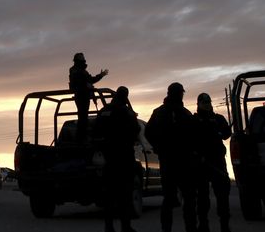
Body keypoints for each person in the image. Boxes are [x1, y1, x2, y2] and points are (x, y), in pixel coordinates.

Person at [146, 82, 197, 232]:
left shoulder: (158, 112)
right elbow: (194, 138)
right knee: (188, 198)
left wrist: (158, 148)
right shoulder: (185, 114)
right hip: (183, 163)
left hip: (168, 161)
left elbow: (148, 133)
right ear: (180, 94)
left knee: (169, 199)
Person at [95, 86, 141, 232]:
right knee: (125, 195)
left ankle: (109, 227)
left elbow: (96, 130)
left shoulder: (104, 111)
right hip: (123, 158)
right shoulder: (125, 111)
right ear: (125, 96)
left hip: (108, 159)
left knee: (109, 195)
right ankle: (125, 227)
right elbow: (136, 129)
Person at [192, 93, 232, 232]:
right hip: (201, 164)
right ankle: (203, 225)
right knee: (202, 198)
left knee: (222, 196)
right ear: (198, 104)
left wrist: (218, 131)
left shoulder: (218, 119)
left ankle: (225, 226)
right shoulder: (194, 120)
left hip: (217, 162)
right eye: (203, 102)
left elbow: (227, 133)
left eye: (208, 101)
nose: (206, 104)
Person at [69, 52, 109, 143]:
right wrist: (90, 83)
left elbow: (90, 80)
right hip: (81, 96)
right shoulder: (76, 70)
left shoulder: (81, 70)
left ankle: (82, 138)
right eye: (82, 58)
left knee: (83, 117)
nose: (84, 59)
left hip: (83, 95)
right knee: (82, 118)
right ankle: (81, 139)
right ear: (78, 60)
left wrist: (100, 76)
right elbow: (86, 80)